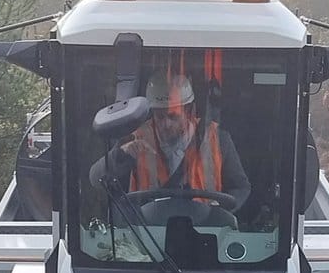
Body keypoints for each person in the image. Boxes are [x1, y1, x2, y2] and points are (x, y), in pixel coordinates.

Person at [91, 70, 251, 220]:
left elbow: (240, 187)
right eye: (159, 116)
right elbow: (96, 178)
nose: (166, 124)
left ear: (189, 111)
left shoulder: (218, 139)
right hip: (147, 235)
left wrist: (220, 210)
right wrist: (120, 155)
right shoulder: (135, 138)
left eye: (172, 116)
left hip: (205, 231)